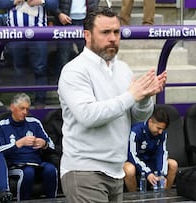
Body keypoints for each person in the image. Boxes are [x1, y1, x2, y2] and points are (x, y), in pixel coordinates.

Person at [57, 7, 167, 202]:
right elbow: (88, 116)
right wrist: (131, 96)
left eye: (116, 32)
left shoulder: (123, 69)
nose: (113, 38)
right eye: (105, 32)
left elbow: (137, 117)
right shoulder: (74, 71)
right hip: (84, 171)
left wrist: (144, 99)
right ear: (87, 35)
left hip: (116, 171)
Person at [0, 93, 57, 201]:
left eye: (27, 109)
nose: (25, 112)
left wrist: (44, 144)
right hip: (14, 165)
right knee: (28, 172)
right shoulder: (1, 125)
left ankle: (52, 200)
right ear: (12, 107)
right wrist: (19, 144)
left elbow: (52, 146)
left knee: (51, 169)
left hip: (36, 163)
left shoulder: (35, 123)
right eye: (22, 108)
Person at [0, 0, 58, 109]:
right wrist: (15, 1)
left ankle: (40, 101)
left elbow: (54, 4)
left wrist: (41, 1)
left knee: (40, 69)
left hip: (39, 34)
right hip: (15, 34)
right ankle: (21, 103)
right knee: (19, 69)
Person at [123, 108, 178, 192]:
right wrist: (147, 173)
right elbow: (132, 155)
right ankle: (134, 197)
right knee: (129, 169)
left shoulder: (162, 134)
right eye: (158, 128)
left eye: (163, 129)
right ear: (150, 121)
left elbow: (161, 154)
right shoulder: (136, 131)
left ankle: (164, 194)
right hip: (136, 163)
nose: (160, 132)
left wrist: (161, 174)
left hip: (151, 162)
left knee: (173, 164)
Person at [50, 0, 100, 82]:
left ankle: (86, 84)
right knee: (63, 57)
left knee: (87, 56)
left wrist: (92, 10)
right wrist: (59, 13)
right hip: (65, 21)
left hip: (85, 20)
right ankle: (63, 85)